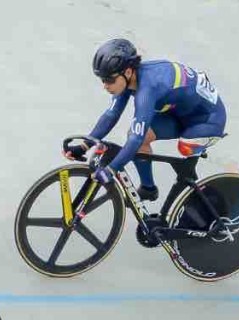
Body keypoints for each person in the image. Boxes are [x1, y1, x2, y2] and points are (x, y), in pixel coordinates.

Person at [63, 38, 226, 217]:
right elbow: (111, 115)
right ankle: (148, 189)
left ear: (127, 71)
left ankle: (193, 193)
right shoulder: (129, 78)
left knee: (183, 146)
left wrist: (111, 170)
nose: (105, 86)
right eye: (102, 79)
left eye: (109, 80)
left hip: (207, 120)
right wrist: (84, 145)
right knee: (141, 136)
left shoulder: (148, 88)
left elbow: (135, 139)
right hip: (179, 113)